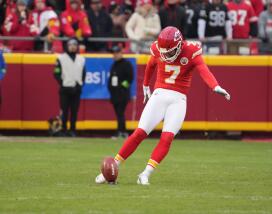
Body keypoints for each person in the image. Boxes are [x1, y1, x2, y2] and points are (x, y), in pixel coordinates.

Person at [95, 26, 231, 185]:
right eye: (163, 51)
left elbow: (203, 69)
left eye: (170, 51)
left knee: (167, 138)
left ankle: (145, 173)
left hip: (178, 99)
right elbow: (151, 64)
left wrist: (215, 86)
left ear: (180, 45)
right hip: (159, 95)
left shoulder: (192, 50)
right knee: (139, 133)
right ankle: (112, 168)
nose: (166, 54)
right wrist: (146, 85)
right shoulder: (158, 49)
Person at [54, 38, 86, 137]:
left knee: (74, 111)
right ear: (67, 46)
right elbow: (56, 73)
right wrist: (62, 83)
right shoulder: (61, 58)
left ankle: (73, 130)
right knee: (65, 110)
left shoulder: (81, 59)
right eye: (70, 45)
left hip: (76, 88)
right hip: (65, 88)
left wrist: (80, 84)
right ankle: (64, 129)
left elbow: (84, 73)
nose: (72, 47)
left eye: (74, 45)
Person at [108, 45, 134, 138]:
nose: (114, 55)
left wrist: (122, 87)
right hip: (114, 94)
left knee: (120, 113)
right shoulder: (113, 65)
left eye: (116, 53)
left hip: (122, 94)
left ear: (120, 53)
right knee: (119, 113)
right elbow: (110, 80)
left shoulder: (126, 64)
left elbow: (130, 78)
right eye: (113, 53)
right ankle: (122, 131)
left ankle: (120, 131)